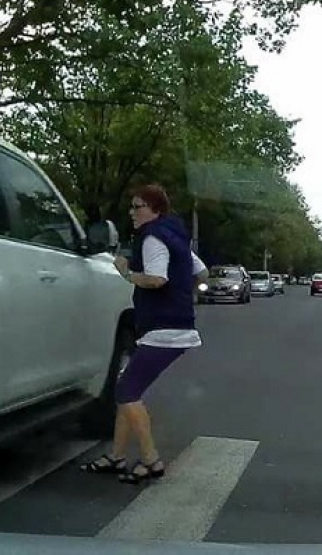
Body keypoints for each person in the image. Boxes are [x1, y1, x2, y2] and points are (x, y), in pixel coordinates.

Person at [80, 184, 208, 484]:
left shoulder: (152, 237)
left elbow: (156, 279)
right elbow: (201, 274)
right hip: (177, 326)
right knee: (129, 390)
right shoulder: (175, 236)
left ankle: (151, 461)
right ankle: (116, 456)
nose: (132, 212)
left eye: (138, 207)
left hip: (162, 330)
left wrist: (126, 272)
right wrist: (181, 291)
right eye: (132, 206)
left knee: (126, 392)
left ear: (155, 209)